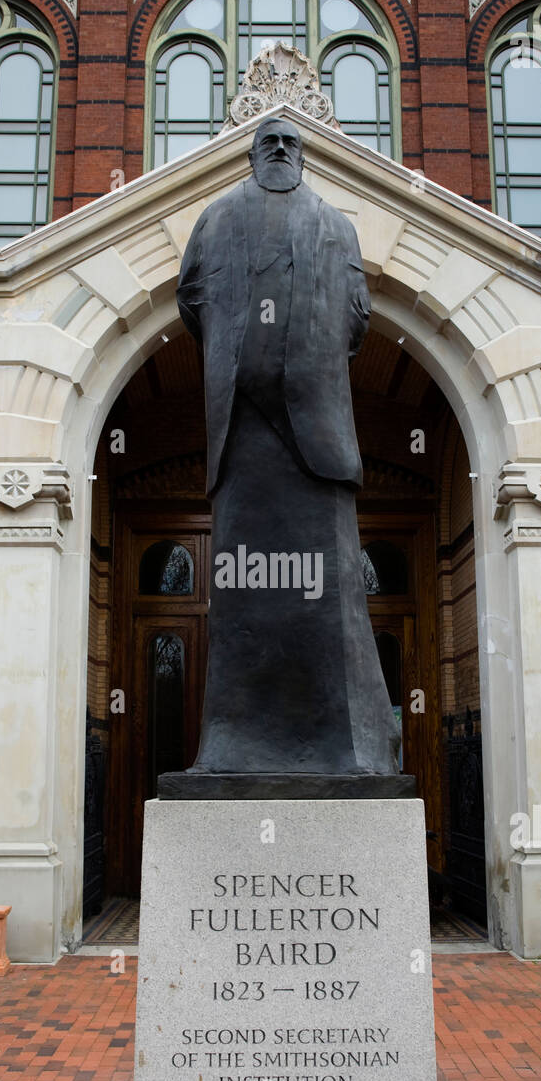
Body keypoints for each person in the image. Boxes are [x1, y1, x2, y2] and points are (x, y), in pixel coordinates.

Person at [175, 116, 400, 776]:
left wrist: (308, 363)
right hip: (244, 434)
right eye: (268, 142)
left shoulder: (335, 223)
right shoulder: (215, 219)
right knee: (243, 596)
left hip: (317, 435)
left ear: (301, 157)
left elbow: (355, 315)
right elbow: (192, 297)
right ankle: (228, 748)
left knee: (329, 606)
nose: (278, 149)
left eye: (289, 143)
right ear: (251, 156)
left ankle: (351, 750)